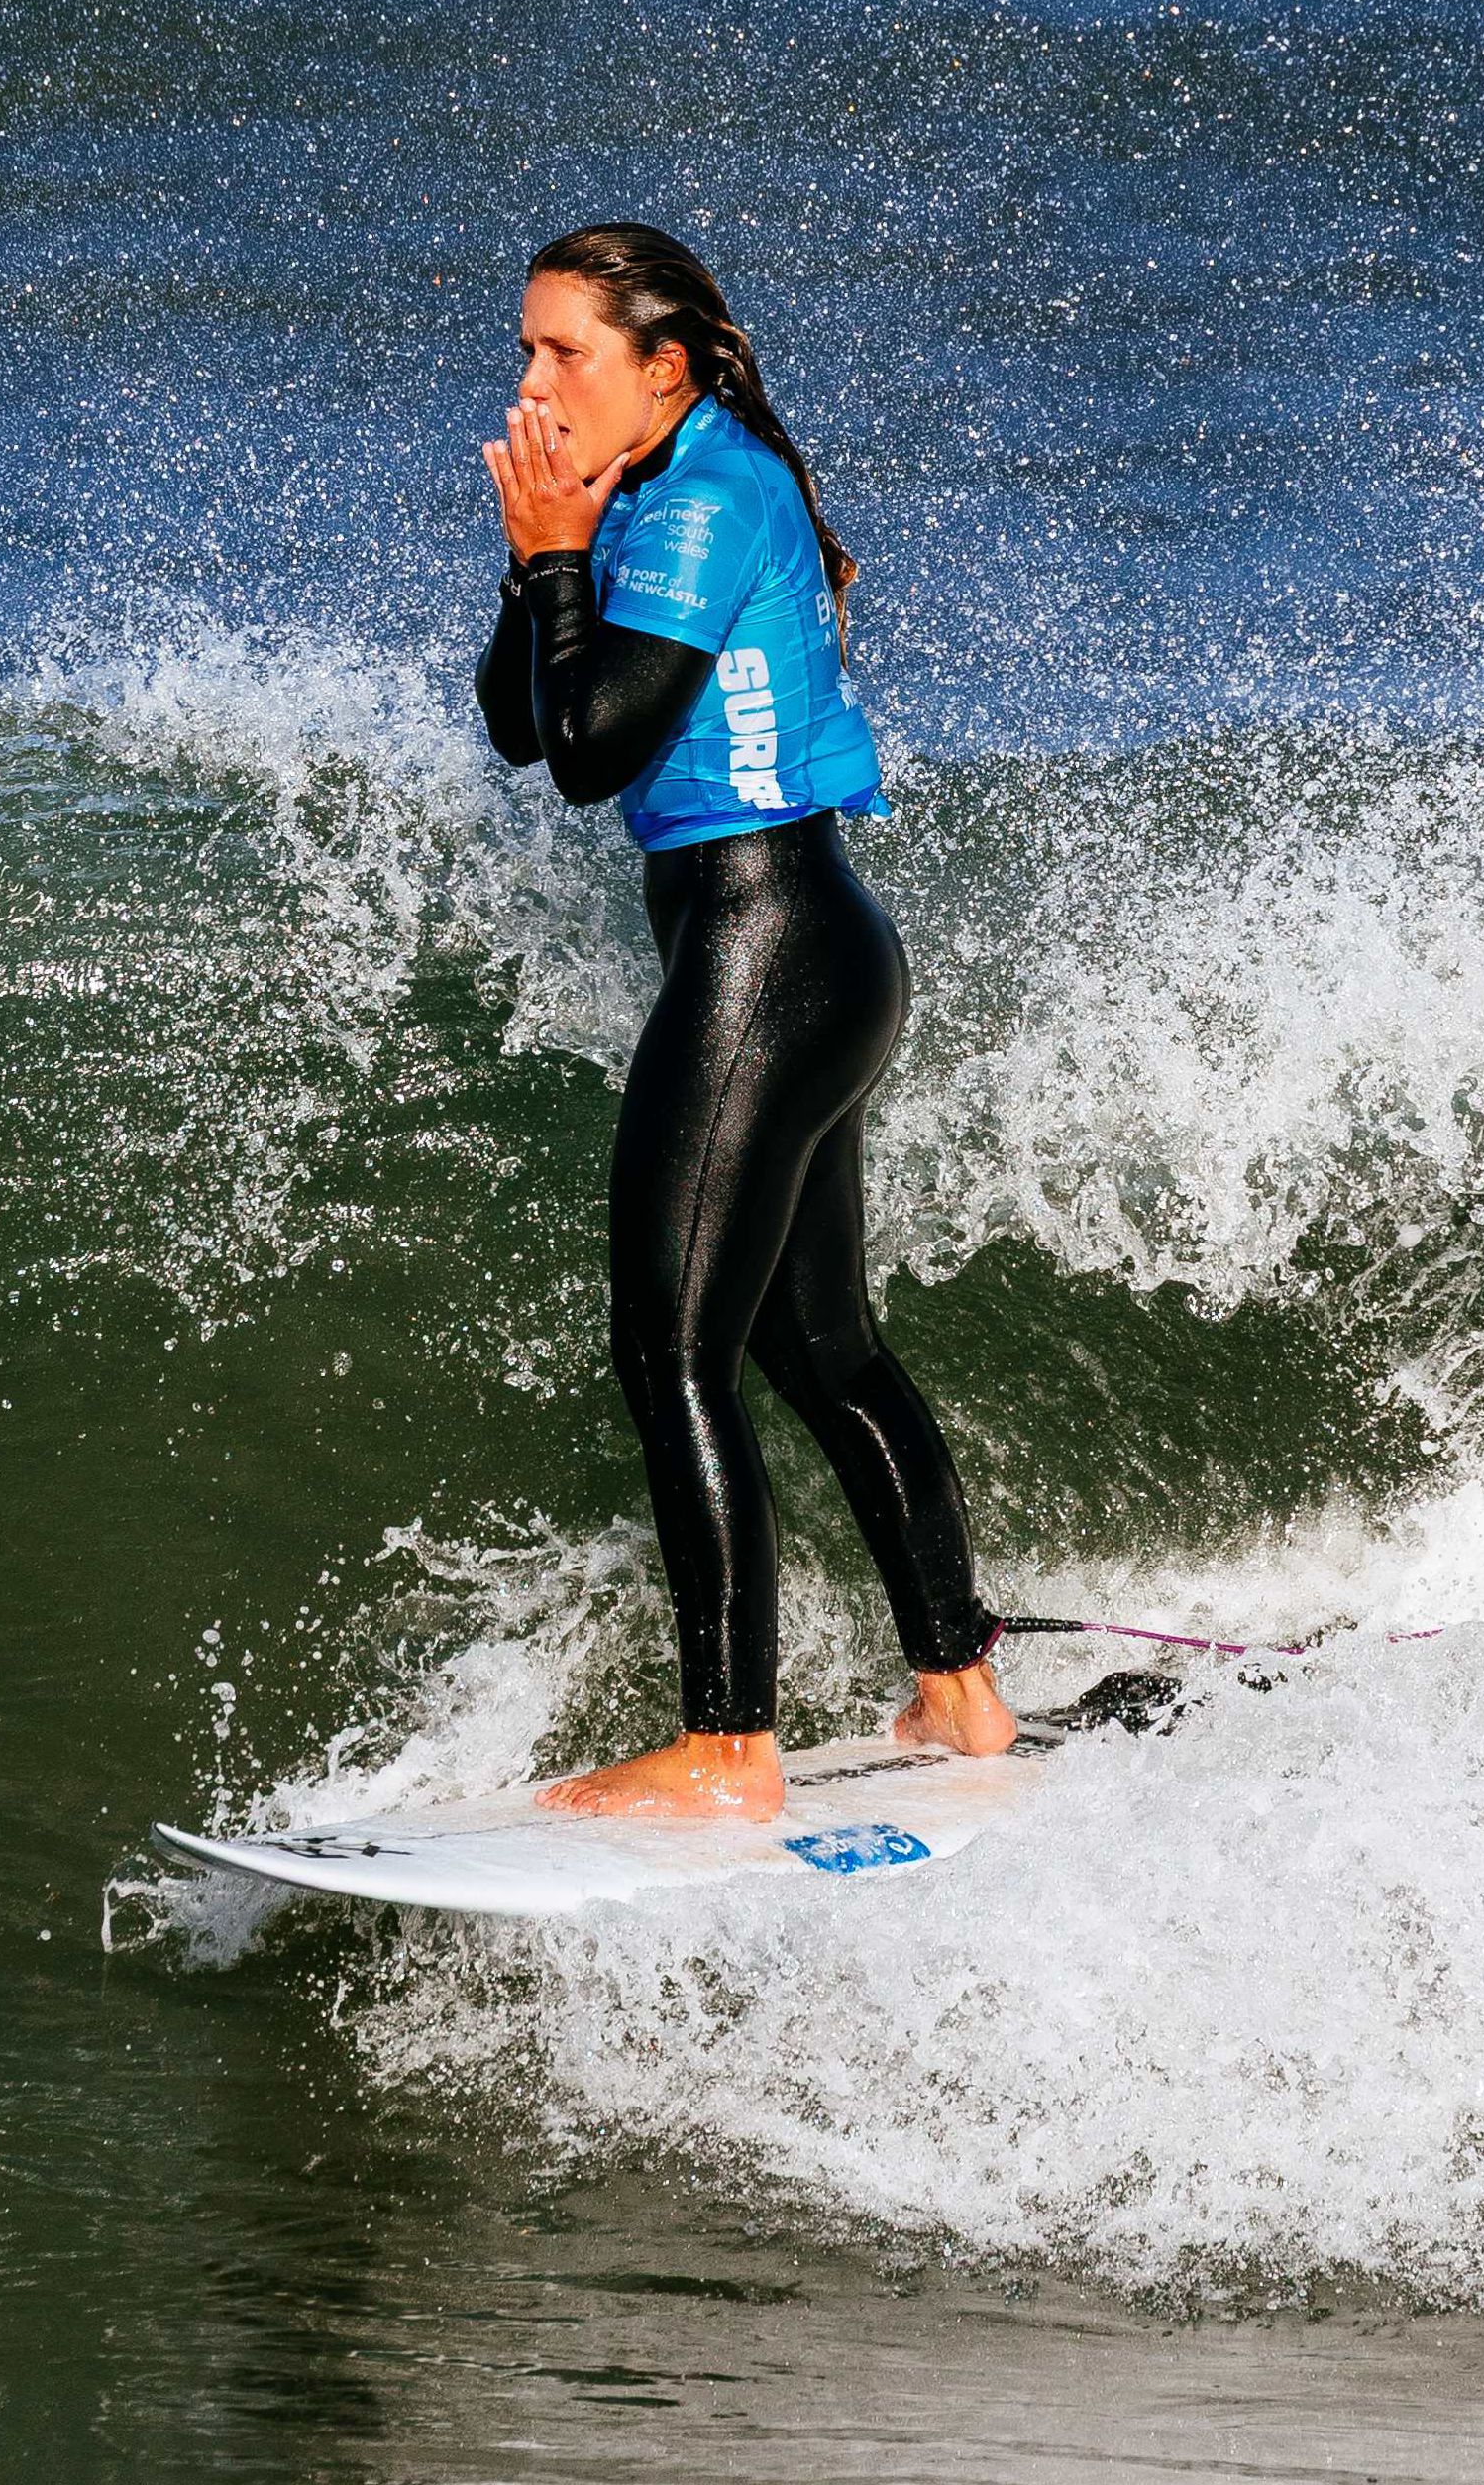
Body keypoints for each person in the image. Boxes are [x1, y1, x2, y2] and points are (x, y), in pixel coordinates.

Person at [473, 222, 1012, 1820]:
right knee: (818, 1347)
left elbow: (590, 752)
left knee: (670, 1350)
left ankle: (726, 1750)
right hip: (799, 947)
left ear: (664, 365)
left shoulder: (706, 502)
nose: (532, 383)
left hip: (765, 945)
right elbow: (520, 724)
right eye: (525, 348)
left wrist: (556, 560)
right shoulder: (652, 489)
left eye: (563, 351)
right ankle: (960, 1694)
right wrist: (539, 553)